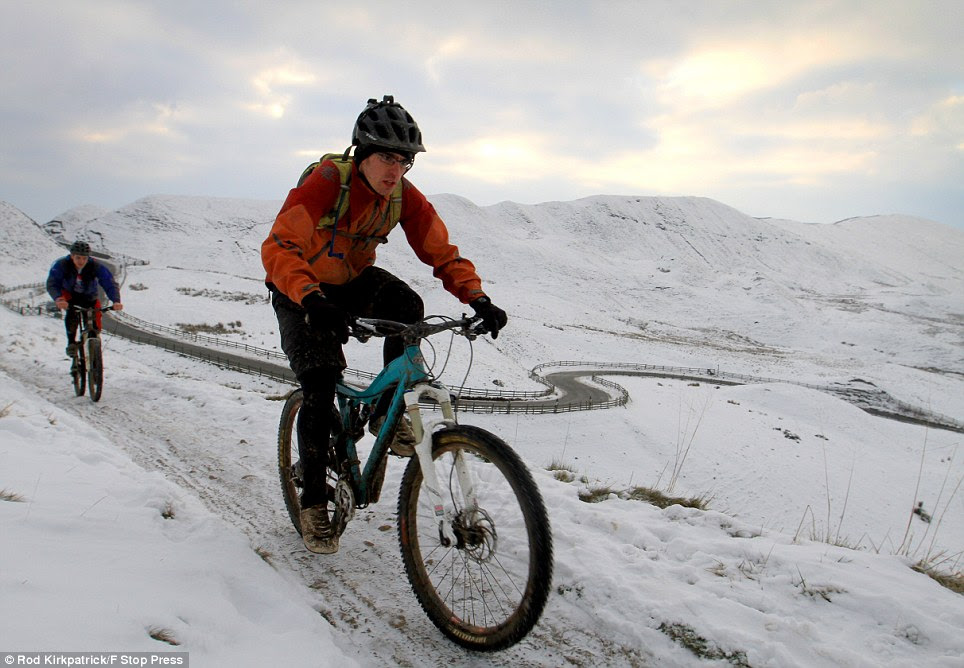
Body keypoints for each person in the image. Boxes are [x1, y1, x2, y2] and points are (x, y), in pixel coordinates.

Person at [262, 95, 507, 554]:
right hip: (301, 289)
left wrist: (477, 297)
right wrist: (311, 298)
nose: (395, 170)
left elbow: (441, 251)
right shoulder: (326, 183)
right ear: (361, 154)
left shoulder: (402, 196)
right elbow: (279, 247)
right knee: (319, 383)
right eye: (386, 158)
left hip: (351, 281)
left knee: (407, 306)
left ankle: (385, 415)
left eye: (404, 161)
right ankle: (314, 504)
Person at [46, 240, 124, 357]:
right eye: (78, 258)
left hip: (89, 297)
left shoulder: (95, 265)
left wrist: (116, 300)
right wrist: (59, 298)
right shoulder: (62, 265)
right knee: (72, 314)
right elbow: (53, 283)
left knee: (95, 320)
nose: (81, 261)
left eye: (84, 258)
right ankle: (71, 343)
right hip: (69, 296)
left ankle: (93, 346)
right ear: (72, 256)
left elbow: (108, 282)